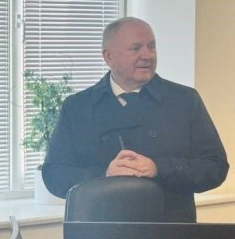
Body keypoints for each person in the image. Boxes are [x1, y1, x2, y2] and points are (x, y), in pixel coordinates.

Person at [42, 16, 228, 221]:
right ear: (108, 57)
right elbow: (54, 175)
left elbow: (215, 167)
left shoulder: (184, 100)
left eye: (151, 46)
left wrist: (159, 168)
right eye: (136, 48)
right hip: (101, 231)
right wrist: (104, 175)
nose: (147, 55)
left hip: (170, 230)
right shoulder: (78, 107)